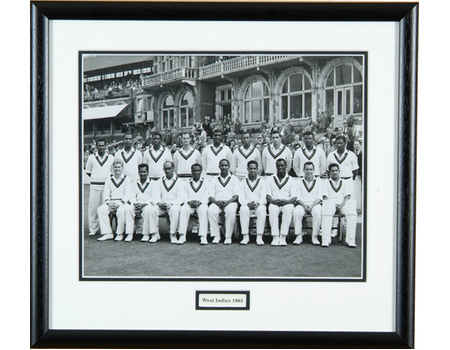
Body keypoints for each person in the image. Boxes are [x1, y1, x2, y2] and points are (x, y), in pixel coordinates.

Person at [147, 161, 185, 243]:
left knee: (175, 210)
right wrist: (159, 203)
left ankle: (173, 234)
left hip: (173, 205)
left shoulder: (180, 181)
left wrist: (170, 204)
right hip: (162, 205)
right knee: (152, 209)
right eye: (165, 169)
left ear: (173, 169)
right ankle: (154, 234)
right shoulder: (160, 181)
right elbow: (155, 195)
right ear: (163, 169)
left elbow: (180, 197)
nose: (167, 171)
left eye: (169, 169)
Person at [321, 163, 358, 247]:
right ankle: (326, 239)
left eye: (336, 170)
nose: (335, 172)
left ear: (339, 171)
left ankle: (350, 240)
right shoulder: (325, 183)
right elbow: (325, 197)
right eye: (332, 171)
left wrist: (340, 206)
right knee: (326, 208)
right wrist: (334, 206)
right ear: (329, 172)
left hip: (342, 204)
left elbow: (347, 196)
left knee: (351, 209)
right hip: (330, 204)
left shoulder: (345, 182)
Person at [97, 159, 132, 241]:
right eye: (115, 167)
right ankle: (107, 233)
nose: (117, 169)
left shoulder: (127, 179)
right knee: (101, 209)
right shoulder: (109, 180)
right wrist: (108, 202)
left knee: (120, 211)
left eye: (119, 167)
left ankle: (120, 233)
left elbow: (128, 194)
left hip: (123, 202)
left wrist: (120, 203)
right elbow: (106, 194)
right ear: (113, 168)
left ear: (122, 168)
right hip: (111, 202)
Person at [85, 139, 115, 236]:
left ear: (105, 146)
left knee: (105, 209)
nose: (101, 147)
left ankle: (105, 229)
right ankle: (93, 229)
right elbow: (88, 171)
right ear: (96, 146)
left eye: (103, 145)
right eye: (99, 145)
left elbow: (112, 172)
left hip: (106, 187)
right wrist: (97, 178)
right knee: (93, 208)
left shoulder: (111, 158)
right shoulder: (91, 158)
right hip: (94, 186)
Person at [124, 163, 160, 242]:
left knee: (147, 210)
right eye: (141, 172)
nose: (142, 174)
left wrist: (145, 203)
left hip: (148, 204)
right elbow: (132, 195)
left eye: (144, 172)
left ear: (148, 172)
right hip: (137, 204)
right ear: (138, 172)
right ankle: (129, 234)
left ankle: (147, 234)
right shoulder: (134, 183)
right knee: (129, 209)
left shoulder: (154, 183)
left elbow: (154, 196)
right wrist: (135, 203)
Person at [266, 159, 297, 246]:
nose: (280, 168)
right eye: (278, 166)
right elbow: (268, 195)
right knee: (272, 209)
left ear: (285, 166)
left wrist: (286, 201)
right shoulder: (270, 179)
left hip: (287, 202)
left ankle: (283, 236)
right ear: (276, 166)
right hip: (274, 202)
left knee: (288, 209)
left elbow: (294, 197)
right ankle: (275, 236)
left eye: (282, 166)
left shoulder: (291, 180)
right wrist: (273, 201)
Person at [207, 159, 239, 244]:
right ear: (219, 167)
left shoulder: (234, 179)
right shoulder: (214, 179)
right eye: (222, 165)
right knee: (211, 210)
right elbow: (210, 196)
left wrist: (227, 202)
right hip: (217, 202)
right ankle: (216, 235)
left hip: (230, 202)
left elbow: (236, 195)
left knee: (230, 211)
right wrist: (217, 202)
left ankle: (228, 236)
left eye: (226, 165)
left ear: (229, 167)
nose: (224, 167)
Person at [178, 163, 210, 245]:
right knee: (184, 209)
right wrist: (189, 202)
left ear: (201, 171)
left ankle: (203, 236)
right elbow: (183, 195)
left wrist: (200, 202)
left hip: (201, 204)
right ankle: (182, 235)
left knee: (204, 209)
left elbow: (207, 195)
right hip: (190, 204)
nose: (196, 172)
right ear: (191, 171)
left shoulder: (206, 182)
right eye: (194, 171)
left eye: (198, 171)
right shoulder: (186, 183)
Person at [292, 162, 323, 245]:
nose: (309, 171)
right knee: (296, 212)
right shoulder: (298, 182)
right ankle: (298, 236)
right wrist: (304, 206)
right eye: (307, 169)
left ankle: (315, 236)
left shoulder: (319, 182)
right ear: (303, 170)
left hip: (315, 204)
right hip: (302, 204)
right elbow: (297, 197)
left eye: (311, 169)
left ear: (314, 170)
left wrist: (312, 206)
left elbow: (319, 197)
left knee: (317, 212)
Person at [237, 160, 267, 245]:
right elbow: (241, 196)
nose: (252, 170)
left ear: (257, 169)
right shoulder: (242, 182)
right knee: (243, 209)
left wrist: (258, 203)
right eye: (250, 168)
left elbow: (263, 196)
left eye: (254, 168)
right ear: (247, 169)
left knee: (262, 209)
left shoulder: (262, 182)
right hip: (247, 205)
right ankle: (245, 236)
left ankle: (259, 236)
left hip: (258, 205)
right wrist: (247, 203)